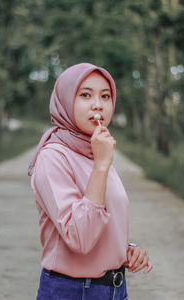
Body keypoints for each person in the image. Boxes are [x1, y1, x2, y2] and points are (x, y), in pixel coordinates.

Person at [28, 63, 152, 300]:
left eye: (105, 96)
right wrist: (102, 165)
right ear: (65, 100)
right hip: (72, 291)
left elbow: (102, 219)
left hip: (115, 289)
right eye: (85, 95)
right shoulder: (54, 157)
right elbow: (80, 238)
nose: (98, 104)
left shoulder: (95, 150)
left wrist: (125, 250)